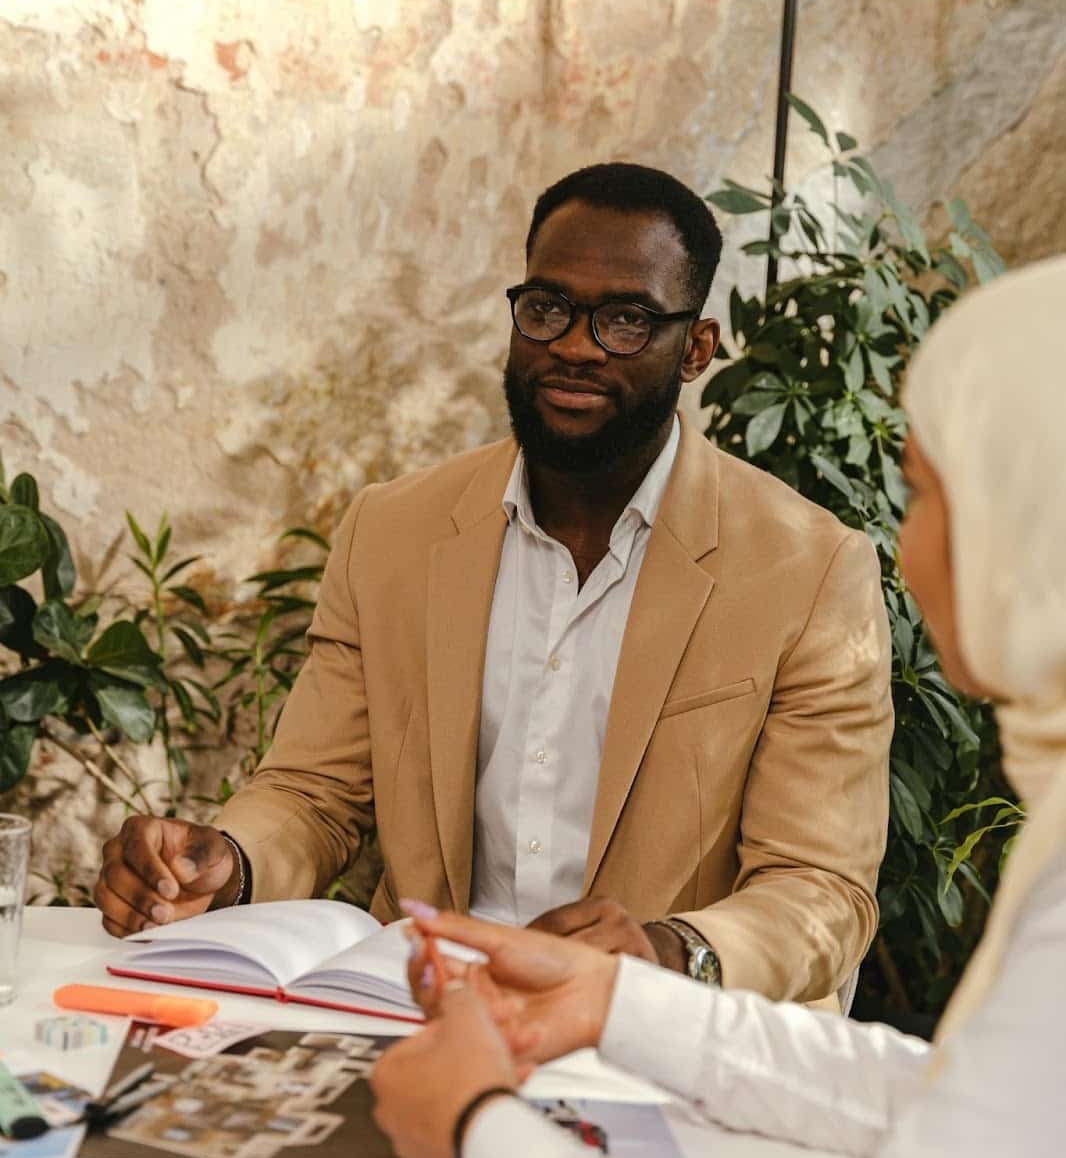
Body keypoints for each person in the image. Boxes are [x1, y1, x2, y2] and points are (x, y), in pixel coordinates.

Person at [370, 255, 1066, 1158]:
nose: (912, 544)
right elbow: (967, 1110)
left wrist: (477, 1129)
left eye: (933, 493)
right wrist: (613, 1001)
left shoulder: (799, 559)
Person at [94, 162, 892, 1007]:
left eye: (626, 318)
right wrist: (228, 861)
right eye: (547, 307)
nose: (576, 346)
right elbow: (314, 792)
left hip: (665, 1037)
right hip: (417, 1011)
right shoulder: (394, 532)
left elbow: (822, 888)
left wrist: (671, 951)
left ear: (695, 348)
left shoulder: (808, 569)